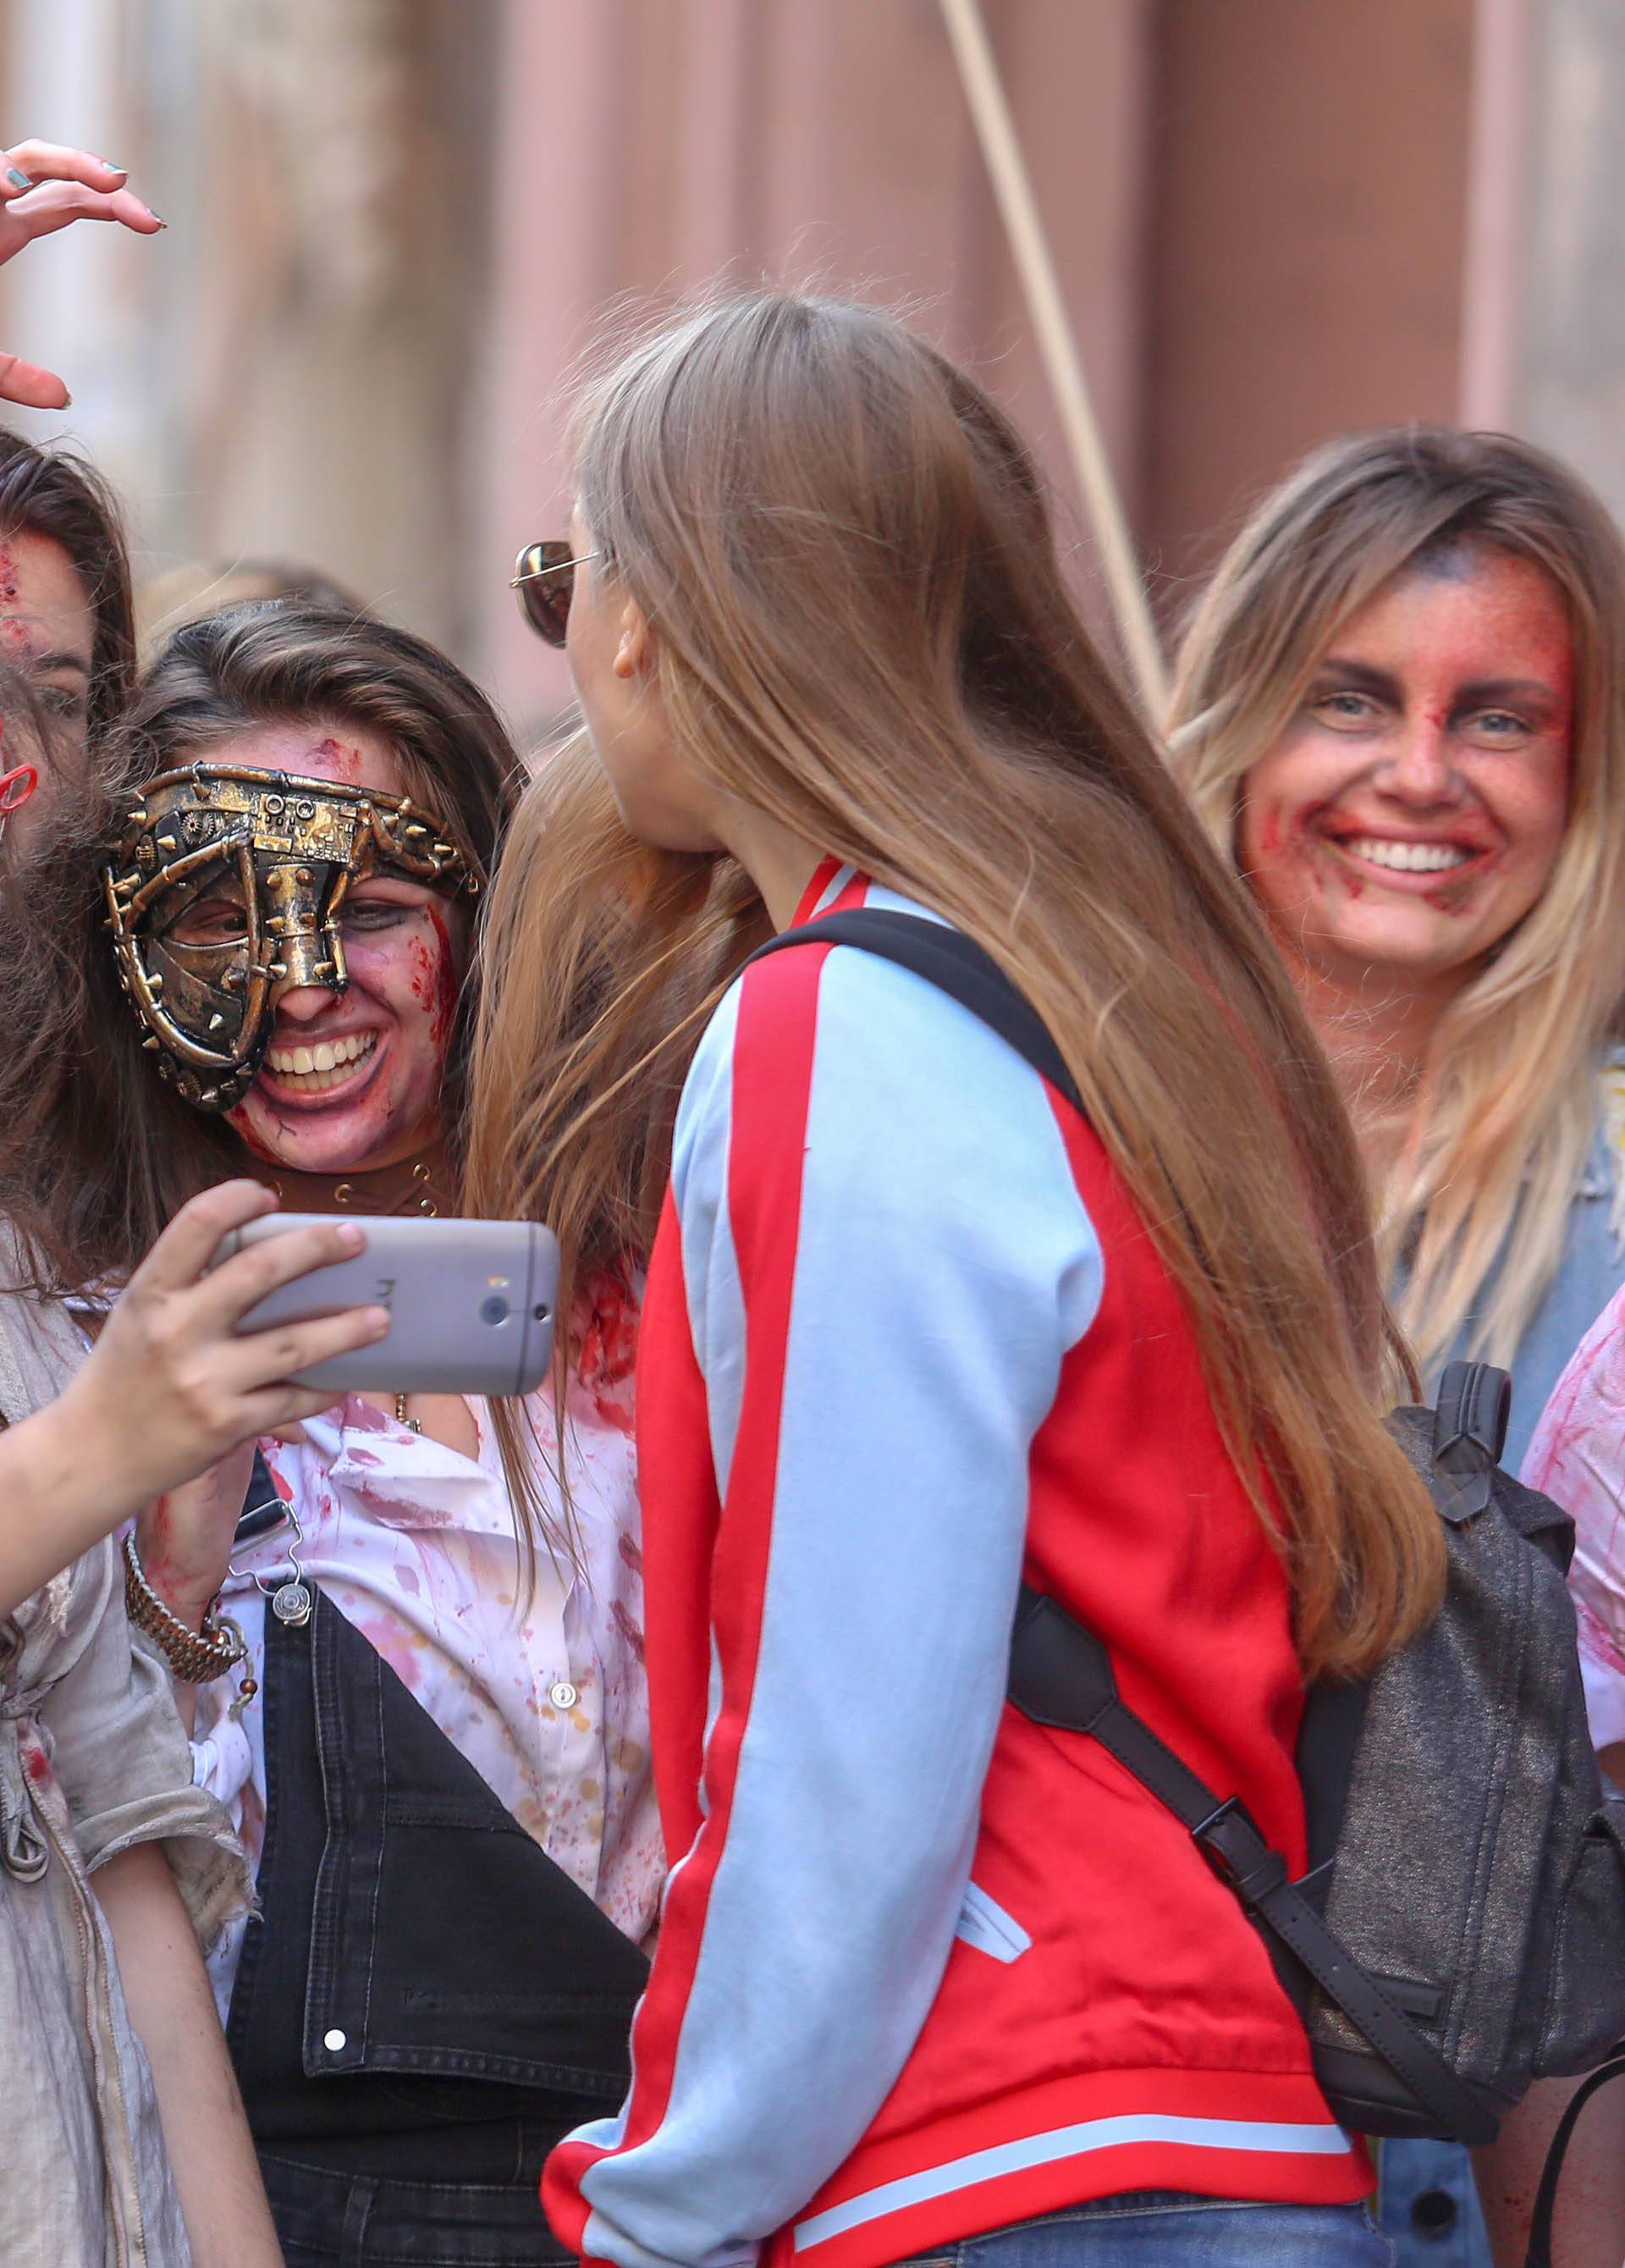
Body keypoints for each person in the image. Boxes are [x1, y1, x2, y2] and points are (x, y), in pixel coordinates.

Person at [468, 289, 1448, 2268]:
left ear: (655, 616)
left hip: (1002, 2147)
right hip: (1228, 2114)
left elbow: (850, 1717)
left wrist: (665, 2199)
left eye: (562, 573)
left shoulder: (843, 1018)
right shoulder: (1147, 982)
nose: (567, 629)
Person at [79, 602, 659, 2267]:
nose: (303, 979)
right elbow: (103, 1928)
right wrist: (171, 1568)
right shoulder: (83, 1354)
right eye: (212, 922)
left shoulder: (679, 1287)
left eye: (378, 906)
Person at [1166, 427, 1625, 2266]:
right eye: (1350, 698)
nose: (1418, 776)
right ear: (1238, 724)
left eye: (1497, 717)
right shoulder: (1056, 1143)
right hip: (1135, 2158)